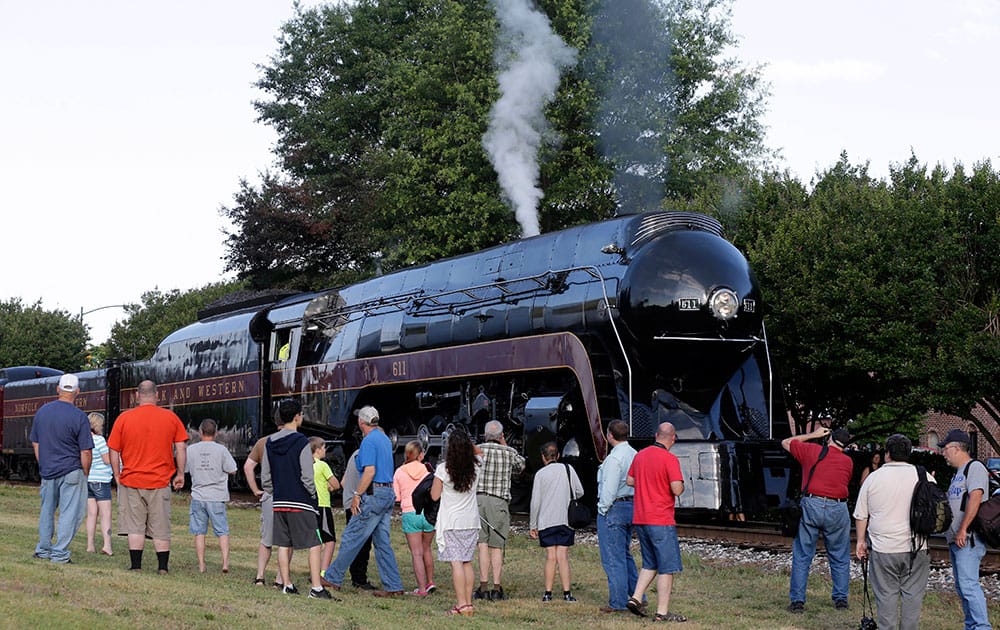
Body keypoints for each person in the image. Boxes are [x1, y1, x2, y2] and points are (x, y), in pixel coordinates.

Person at [322, 405, 404, 596]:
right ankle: (393, 585)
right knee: (383, 543)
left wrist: (357, 495)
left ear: (361, 422)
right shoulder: (384, 439)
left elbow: (369, 471)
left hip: (373, 494)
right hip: (387, 494)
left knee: (353, 535)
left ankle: (332, 578)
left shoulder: (368, 442)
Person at [108, 380, 188, 574]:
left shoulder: (124, 418)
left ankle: (136, 565)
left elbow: (113, 449)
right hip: (160, 481)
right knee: (161, 525)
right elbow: (181, 447)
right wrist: (180, 472)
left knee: (135, 526)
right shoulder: (170, 417)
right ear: (157, 396)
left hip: (131, 480)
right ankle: (162, 567)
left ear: (137, 396)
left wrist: (117, 474)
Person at [854, 434, 930, 630]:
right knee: (913, 596)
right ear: (909, 453)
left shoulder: (874, 477)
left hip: (883, 548)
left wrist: (861, 541)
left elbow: (861, 514)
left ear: (887, 454)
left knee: (886, 595)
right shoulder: (924, 476)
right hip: (917, 547)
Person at [260, 399, 332, 599]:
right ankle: (316, 588)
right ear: (297, 416)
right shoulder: (301, 441)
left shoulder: (269, 442)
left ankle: (287, 584)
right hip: (300, 500)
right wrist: (312, 494)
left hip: (280, 500)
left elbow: (265, 475)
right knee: (315, 543)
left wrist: (275, 491)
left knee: (284, 543)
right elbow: (307, 475)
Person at [781, 426, 854, 613]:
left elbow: (786, 442)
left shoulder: (812, 451)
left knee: (803, 555)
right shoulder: (848, 462)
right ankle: (841, 599)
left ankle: (797, 601)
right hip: (838, 507)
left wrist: (813, 435)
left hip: (812, 504)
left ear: (828, 438)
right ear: (845, 445)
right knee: (839, 556)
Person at [624, 422, 686, 622]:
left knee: (650, 562)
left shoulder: (640, 455)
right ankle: (662, 612)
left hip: (640, 517)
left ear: (656, 435)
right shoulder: (669, 458)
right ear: (673, 438)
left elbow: (630, 481)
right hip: (660, 519)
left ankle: (635, 598)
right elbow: (676, 489)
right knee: (667, 567)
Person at [30, 373, 94, 564]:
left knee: (46, 511)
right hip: (71, 470)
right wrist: (86, 471)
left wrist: (43, 463)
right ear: (77, 392)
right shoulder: (79, 416)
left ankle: (43, 550)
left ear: (58, 389)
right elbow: (86, 451)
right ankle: (59, 554)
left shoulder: (42, 412)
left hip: (48, 470)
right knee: (69, 512)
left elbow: (36, 443)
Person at [940, 429, 993, 630]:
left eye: (945, 449)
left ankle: (981, 627)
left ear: (955, 448)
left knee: (969, 586)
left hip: (967, 539)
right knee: (962, 587)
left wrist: (963, 529)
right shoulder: (958, 473)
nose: (943, 453)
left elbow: (976, 497)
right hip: (957, 539)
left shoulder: (975, 467)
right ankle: (971, 626)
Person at [431, 429, 483, 616]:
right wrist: (467, 444)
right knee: (467, 562)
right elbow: (480, 452)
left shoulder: (443, 469)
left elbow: (434, 496)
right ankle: (468, 604)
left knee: (456, 564)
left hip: (452, 522)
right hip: (471, 520)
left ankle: (461, 605)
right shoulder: (476, 467)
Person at [474, 420, 525, 601]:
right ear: (501, 436)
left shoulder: (477, 449)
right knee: (496, 546)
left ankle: (483, 586)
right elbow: (522, 466)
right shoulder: (509, 452)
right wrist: (505, 445)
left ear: (485, 435)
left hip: (478, 500)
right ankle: (496, 589)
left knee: (482, 545)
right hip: (498, 502)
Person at [529, 441, 584, 603]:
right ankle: (567, 593)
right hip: (565, 520)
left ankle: (548, 593)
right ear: (558, 455)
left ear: (543, 457)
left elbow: (535, 502)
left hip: (546, 521)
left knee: (550, 557)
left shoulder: (540, 474)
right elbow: (580, 491)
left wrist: (533, 525)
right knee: (563, 557)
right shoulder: (568, 469)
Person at [596, 419, 639, 614]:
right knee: (625, 554)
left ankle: (619, 601)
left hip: (614, 507)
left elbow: (610, 488)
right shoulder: (634, 454)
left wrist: (602, 509)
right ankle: (638, 595)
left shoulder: (614, 459)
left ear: (609, 435)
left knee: (613, 557)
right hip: (631, 505)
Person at [245, 412, 292, 587]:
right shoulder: (296, 441)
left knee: (266, 539)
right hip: (289, 495)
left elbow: (248, 466)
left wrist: (256, 490)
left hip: (269, 495)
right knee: (287, 540)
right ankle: (280, 578)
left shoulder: (263, 442)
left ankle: (260, 576)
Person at [185, 418, 238, 573]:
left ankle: (201, 564)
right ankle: (225, 563)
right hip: (216, 496)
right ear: (216, 433)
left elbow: (187, 469)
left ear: (200, 432)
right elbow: (233, 469)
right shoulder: (221, 450)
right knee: (222, 531)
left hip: (198, 495)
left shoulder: (191, 450)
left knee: (199, 532)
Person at [393, 440, 436, 596]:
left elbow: (396, 497)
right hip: (428, 513)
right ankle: (430, 581)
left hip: (410, 513)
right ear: (421, 455)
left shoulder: (399, 471)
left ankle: (422, 589)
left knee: (416, 553)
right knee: (427, 549)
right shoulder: (428, 469)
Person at [339, 448, 377, 590]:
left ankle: (351, 575)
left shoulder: (355, 454)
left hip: (349, 502)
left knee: (353, 540)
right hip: (359, 504)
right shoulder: (367, 455)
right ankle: (359, 578)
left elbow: (343, 482)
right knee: (363, 543)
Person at [85, 412, 114, 556]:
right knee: (105, 514)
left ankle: (90, 545)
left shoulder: (84, 439)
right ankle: (107, 545)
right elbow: (108, 460)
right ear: (97, 425)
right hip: (101, 481)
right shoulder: (100, 440)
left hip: (88, 480)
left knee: (91, 514)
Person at [311, 437, 341, 571]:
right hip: (322, 505)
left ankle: (314, 570)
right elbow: (336, 484)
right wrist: (329, 487)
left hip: (310, 505)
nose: (325, 450)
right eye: (323, 448)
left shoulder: (305, 464)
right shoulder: (322, 465)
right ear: (317, 450)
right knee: (329, 541)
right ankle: (323, 572)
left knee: (314, 541)